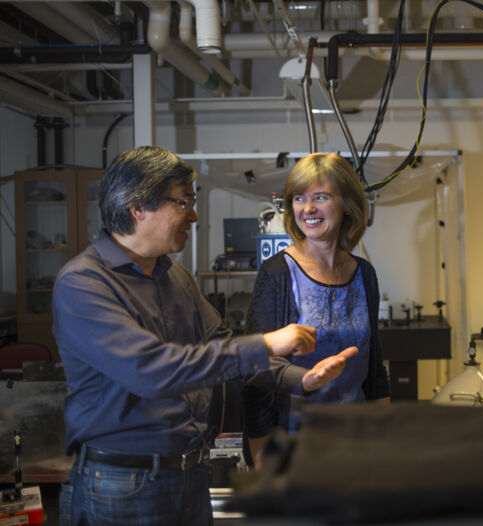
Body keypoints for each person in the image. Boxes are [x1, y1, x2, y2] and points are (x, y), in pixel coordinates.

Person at [52, 146, 358, 526]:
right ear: (137, 207)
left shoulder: (175, 276)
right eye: (183, 203)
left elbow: (223, 349)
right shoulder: (83, 283)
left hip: (188, 475)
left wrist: (302, 380)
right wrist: (266, 343)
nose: (194, 216)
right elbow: (151, 369)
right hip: (122, 485)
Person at [242, 152, 390, 465]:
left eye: (320, 197)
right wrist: (260, 459)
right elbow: (256, 375)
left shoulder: (365, 274)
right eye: (298, 198)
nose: (307, 209)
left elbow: (373, 367)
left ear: (347, 203)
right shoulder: (277, 273)